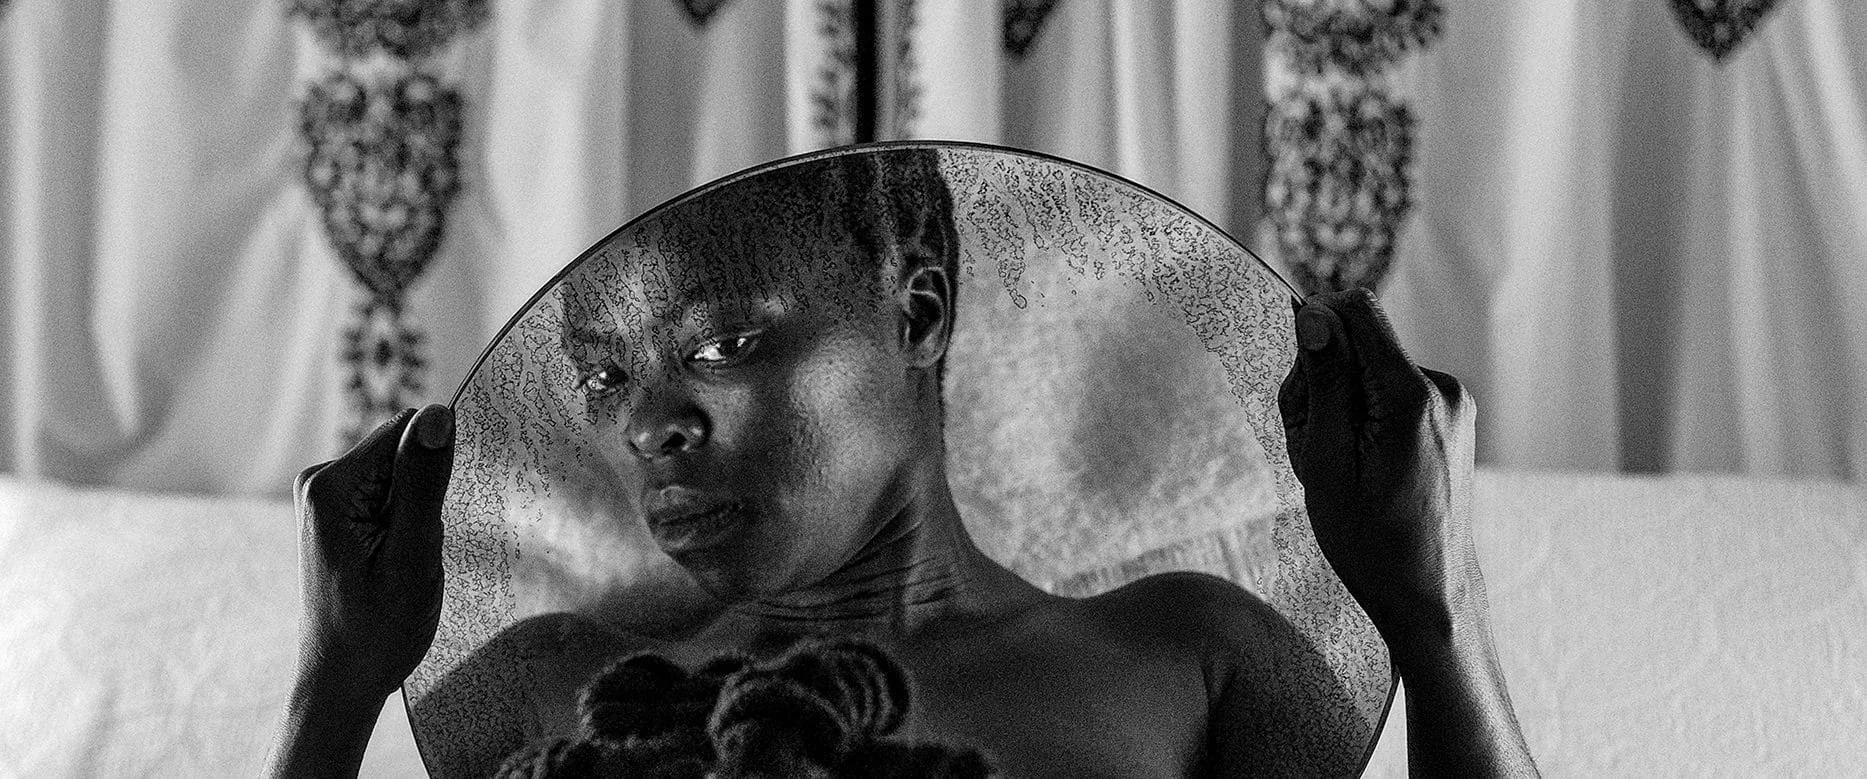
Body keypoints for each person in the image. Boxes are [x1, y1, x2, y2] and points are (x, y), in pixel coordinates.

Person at [266, 151, 1538, 777]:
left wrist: (1437, 611)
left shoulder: (1191, 657)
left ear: (916, 310)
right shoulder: (547, 685)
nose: (649, 425)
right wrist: (332, 691)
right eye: (604, 377)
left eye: (721, 343)